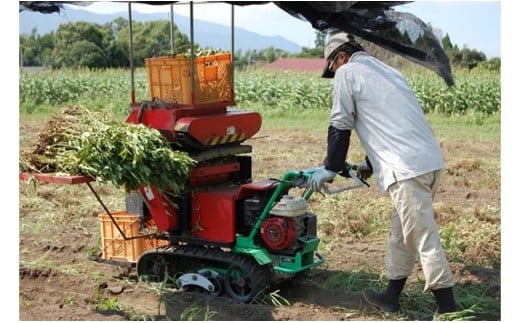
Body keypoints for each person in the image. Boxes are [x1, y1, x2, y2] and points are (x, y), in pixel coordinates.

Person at [309, 32, 457, 315]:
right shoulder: (389, 72)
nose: (335, 72)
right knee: (401, 233)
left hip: (406, 169)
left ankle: (448, 308)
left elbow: (341, 122)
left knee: (423, 237)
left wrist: (330, 167)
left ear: (340, 57)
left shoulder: (347, 72)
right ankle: (390, 296)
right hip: (427, 161)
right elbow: (391, 124)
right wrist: (369, 162)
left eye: (333, 66)